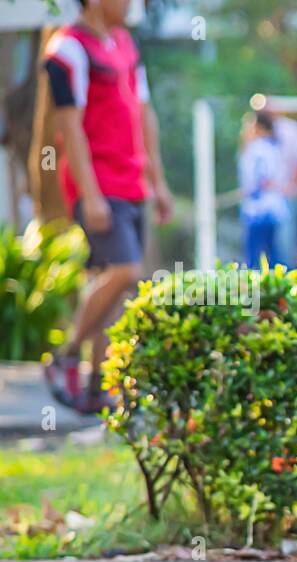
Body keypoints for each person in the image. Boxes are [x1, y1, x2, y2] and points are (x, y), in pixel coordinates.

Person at [41, 0, 173, 414]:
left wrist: (159, 182)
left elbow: (143, 114)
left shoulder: (125, 43)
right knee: (124, 271)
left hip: (132, 183)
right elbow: (69, 127)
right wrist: (90, 194)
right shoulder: (67, 50)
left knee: (115, 286)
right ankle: (64, 356)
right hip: (100, 187)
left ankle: (98, 383)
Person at [238, 111, 289, 269]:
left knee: (256, 257)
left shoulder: (258, 148)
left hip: (259, 210)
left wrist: (254, 189)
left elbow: (260, 178)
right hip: (271, 208)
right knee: (272, 255)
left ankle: (256, 291)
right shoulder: (273, 147)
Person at [269, 109, 297, 265]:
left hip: (285, 194)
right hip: (266, 198)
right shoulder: (256, 131)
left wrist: (293, 186)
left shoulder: (291, 130)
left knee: (285, 240)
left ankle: (286, 276)